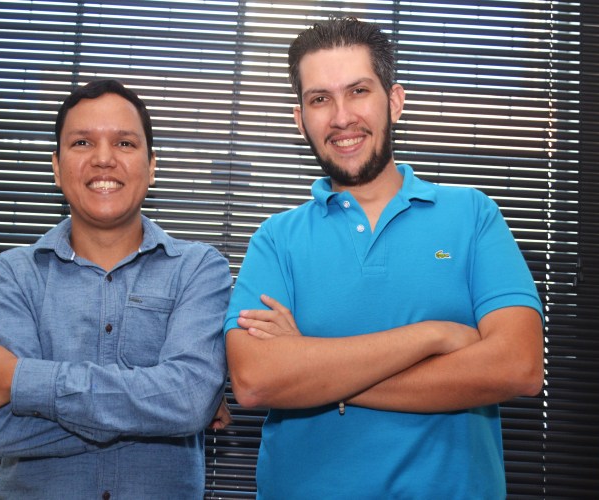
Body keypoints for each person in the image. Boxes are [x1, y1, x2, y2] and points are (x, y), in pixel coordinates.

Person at [224, 17, 544, 499]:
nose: (341, 117)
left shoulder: (473, 215)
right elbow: (255, 380)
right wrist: (433, 336)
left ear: (394, 101)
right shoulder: (275, 240)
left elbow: (518, 366)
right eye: (320, 99)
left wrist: (317, 372)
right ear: (300, 119)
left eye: (358, 91)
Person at [0, 79, 232, 499]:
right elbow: (2, 429)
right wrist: (163, 413)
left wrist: (22, 381)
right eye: (82, 143)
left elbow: (189, 400)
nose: (104, 159)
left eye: (124, 143)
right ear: (56, 166)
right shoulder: (10, 275)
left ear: (152, 166)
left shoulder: (199, 269)